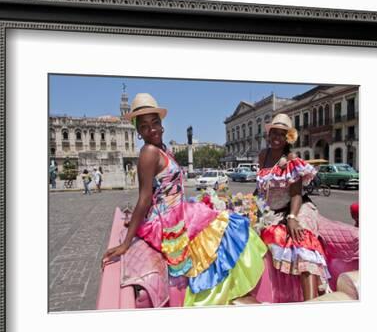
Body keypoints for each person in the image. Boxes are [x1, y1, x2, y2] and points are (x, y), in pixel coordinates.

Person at [102, 93, 267, 306]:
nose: (152, 129)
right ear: (139, 132)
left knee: (223, 225)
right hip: (168, 219)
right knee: (225, 226)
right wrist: (126, 244)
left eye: (155, 122)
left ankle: (231, 291)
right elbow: (144, 198)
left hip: (178, 210)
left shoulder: (162, 150)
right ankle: (225, 293)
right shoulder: (149, 152)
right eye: (144, 126)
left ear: (161, 124)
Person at [256, 113, 331, 300]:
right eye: (273, 133)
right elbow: (261, 188)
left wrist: (292, 218)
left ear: (288, 138)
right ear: (268, 135)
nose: (276, 138)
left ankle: (311, 303)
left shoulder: (291, 158)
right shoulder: (263, 156)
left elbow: (296, 193)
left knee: (302, 238)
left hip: (297, 206)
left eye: (281, 134)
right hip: (271, 211)